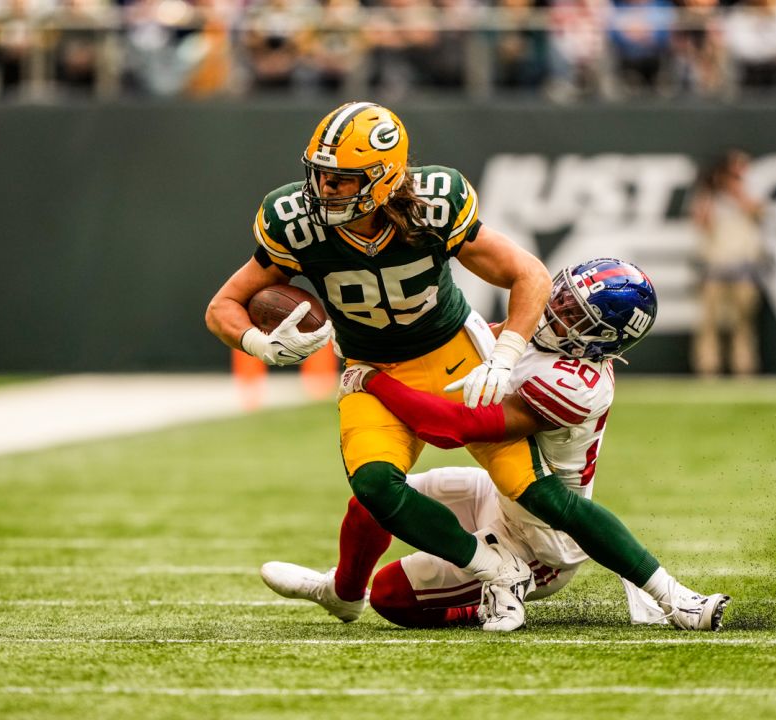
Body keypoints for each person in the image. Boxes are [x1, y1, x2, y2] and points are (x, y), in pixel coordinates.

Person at [205, 101, 554, 631]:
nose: (324, 190)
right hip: (372, 370)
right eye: (320, 176)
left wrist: (505, 358)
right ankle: (491, 568)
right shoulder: (295, 224)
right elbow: (222, 306)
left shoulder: (433, 205)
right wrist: (259, 344)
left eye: (342, 181)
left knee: (533, 489)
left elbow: (529, 274)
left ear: (385, 179)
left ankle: (658, 586)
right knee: (373, 485)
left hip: (454, 356)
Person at [261, 258, 730, 630]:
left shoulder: (574, 382)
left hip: (541, 539)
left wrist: (370, 380)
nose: (553, 311)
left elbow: (455, 429)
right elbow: (476, 344)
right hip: (502, 492)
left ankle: (497, 595)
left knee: (390, 596)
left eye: (570, 314)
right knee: (372, 500)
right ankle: (340, 594)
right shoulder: (543, 337)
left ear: (598, 340)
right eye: (561, 297)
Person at [691, 149, 767, 376]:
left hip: (743, 266)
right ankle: (708, 369)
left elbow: (758, 211)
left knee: (743, 324)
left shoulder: (750, 191)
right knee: (709, 324)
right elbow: (701, 223)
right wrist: (712, 191)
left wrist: (736, 192)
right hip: (715, 267)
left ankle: (744, 369)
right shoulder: (709, 197)